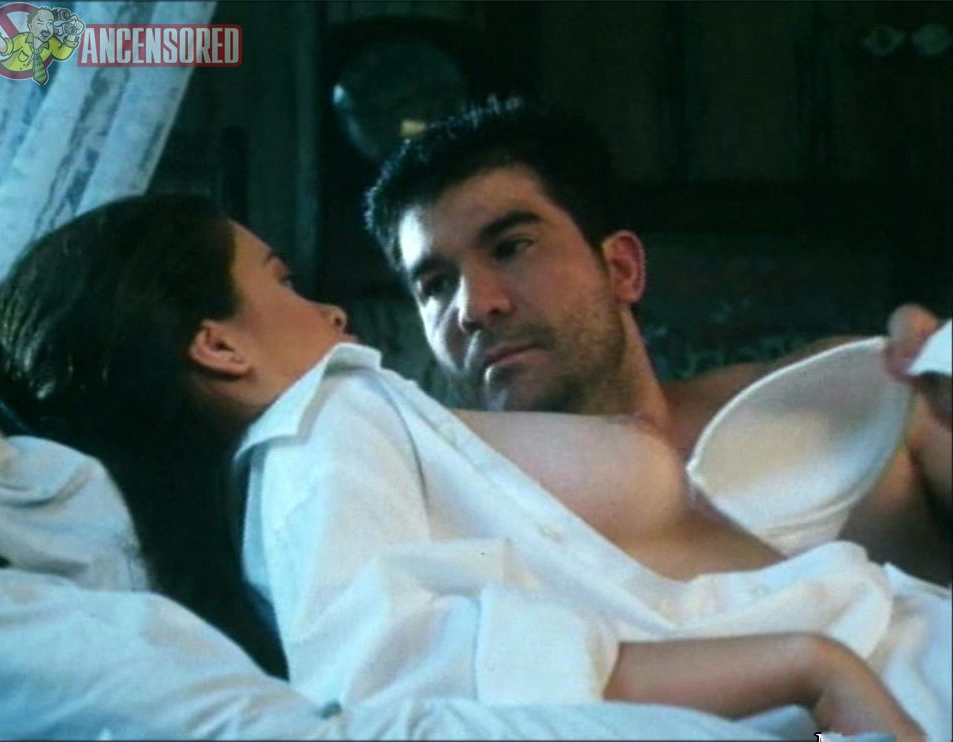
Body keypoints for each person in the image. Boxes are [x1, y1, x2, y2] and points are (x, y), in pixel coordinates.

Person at [0, 195, 939, 740]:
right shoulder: (321, 420)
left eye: (514, 247)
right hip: (870, 670)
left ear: (621, 265)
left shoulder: (369, 434)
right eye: (282, 281)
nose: (333, 313)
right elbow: (393, 669)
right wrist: (806, 664)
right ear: (219, 345)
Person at [364, 96, 952, 584]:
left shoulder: (850, 402)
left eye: (512, 247)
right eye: (435, 286)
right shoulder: (444, 516)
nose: (473, 307)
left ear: (621, 268)